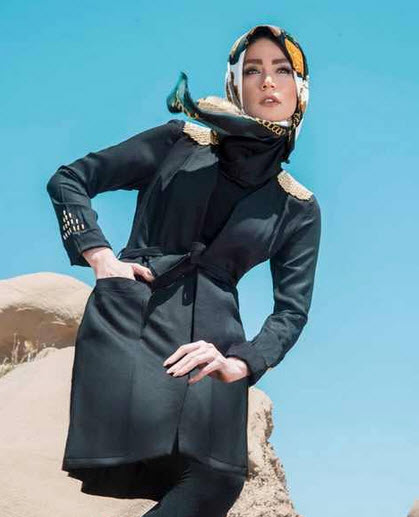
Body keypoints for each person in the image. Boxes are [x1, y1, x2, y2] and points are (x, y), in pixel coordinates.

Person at [46, 23, 321, 517]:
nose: (268, 81)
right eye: (253, 70)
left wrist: (244, 362)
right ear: (235, 83)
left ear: (300, 89)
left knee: (217, 479)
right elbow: (70, 180)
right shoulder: (180, 141)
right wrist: (100, 256)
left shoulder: (298, 206)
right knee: (160, 470)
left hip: (213, 351)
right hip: (134, 323)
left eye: (282, 70)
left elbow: (291, 312)